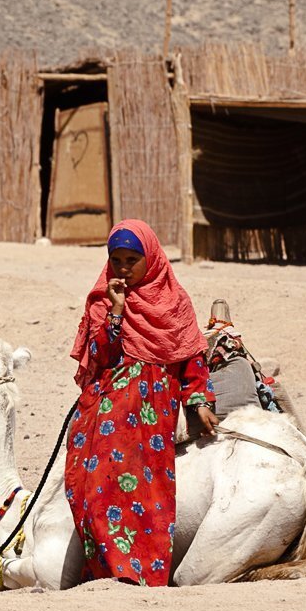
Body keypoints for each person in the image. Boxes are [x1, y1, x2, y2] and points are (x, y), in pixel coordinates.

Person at [66, 219, 217, 587]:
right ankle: (106, 570)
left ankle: (143, 573)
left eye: (132, 259)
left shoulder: (175, 302)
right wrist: (116, 312)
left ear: (150, 258)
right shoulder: (104, 299)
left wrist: (198, 400)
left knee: (148, 489)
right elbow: (99, 356)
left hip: (153, 407)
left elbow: (191, 358)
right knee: (91, 477)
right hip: (110, 399)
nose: (123, 268)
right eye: (116, 260)